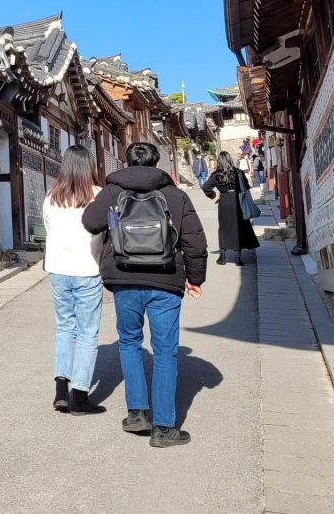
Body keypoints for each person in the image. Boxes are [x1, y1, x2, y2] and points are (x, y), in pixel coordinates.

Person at [83, 141, 207, 448]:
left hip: (124, 277)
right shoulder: (175, 195)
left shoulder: (112, 191)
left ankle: (137, 413)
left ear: (126, 163)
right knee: (165, 351)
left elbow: (89, 222)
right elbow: (194, 241)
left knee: (129, 342)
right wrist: (195, 279)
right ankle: (163, 428)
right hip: (166, 280)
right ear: (156, 164)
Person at [42, 145, 105, 416]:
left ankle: (60, 391)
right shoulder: (98, 195)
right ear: (88, 166)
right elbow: (106, 229)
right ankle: (79, 396)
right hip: (88, 268)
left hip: (58, 269)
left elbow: (49, 228)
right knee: (87, 333)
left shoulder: (52, 196)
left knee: (64, 328)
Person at [203, 151, 260, 266]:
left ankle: (222, 256)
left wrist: (214, 196)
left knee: (224, 228)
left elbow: (206, 187)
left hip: (224, 202)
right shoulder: (238, 172)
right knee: (239, 227)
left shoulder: (216, 174)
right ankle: (238, 258)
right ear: (230, 159)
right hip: (238, 201)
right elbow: (246, 187)